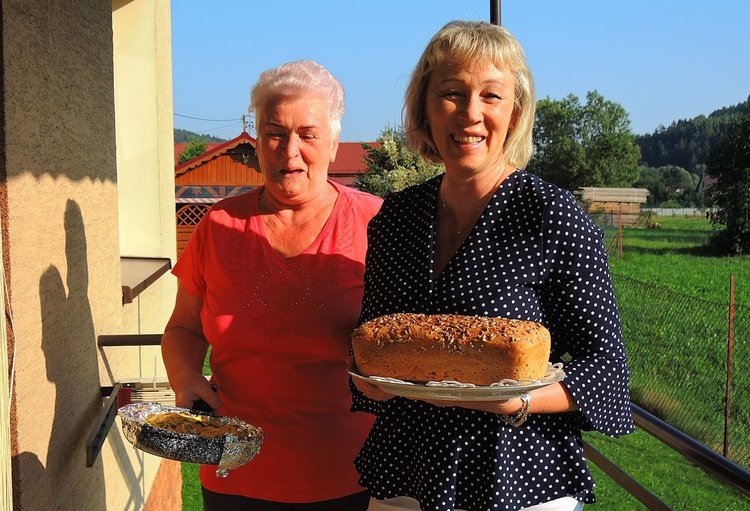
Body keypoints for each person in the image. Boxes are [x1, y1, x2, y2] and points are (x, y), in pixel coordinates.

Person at [350, 21, 635, 511]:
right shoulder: (396, 217)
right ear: (424, 106)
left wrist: (518, 400)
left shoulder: (552, 216)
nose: (471, 114)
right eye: (452, 93)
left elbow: (607, 371)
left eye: (491, 96)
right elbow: (373, 340)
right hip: (406, 477)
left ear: (516, 111)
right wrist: (366, 377)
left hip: (516, 478)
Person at [162, 60, 382, 510]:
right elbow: (184, 327)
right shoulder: (218, 225)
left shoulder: (377, 223)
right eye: (275, 132)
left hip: (349, 472)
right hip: (233, 471)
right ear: (258, 142)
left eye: (308, 133)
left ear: (335, 142)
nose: (290, 150)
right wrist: (185, 377)